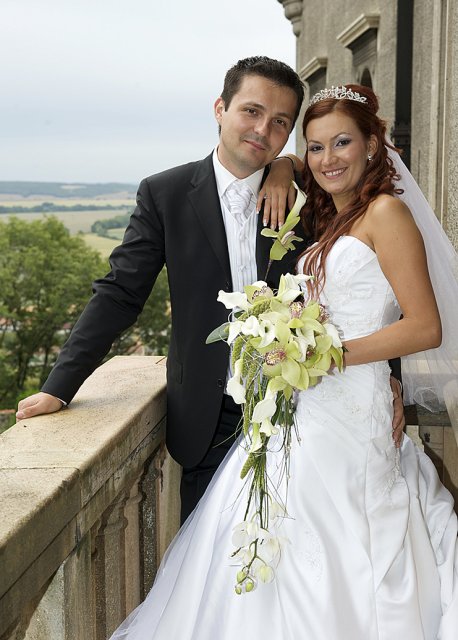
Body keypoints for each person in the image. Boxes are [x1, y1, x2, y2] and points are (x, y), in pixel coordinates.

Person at [108, 84, 458, 639]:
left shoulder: (388, 213)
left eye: (342, 142)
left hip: (349, 411)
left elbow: (423, 327)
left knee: (335, 538)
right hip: (304, 409)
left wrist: (325, 356)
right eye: (315, 147)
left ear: (372, 145)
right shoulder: (334, 216)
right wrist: (282, 166)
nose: (327, 158)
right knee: (268, 534)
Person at [15, 56, 405, 522]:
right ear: (220, 108)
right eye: (251, 111)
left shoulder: (314, 190)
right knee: (208, 554)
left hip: (305, 408)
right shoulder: (164, 194)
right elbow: (119, 293)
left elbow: (370, 285)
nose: (263, 130)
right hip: (207, 419)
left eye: (280, 122)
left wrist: (389, 378)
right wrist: (60, 387)